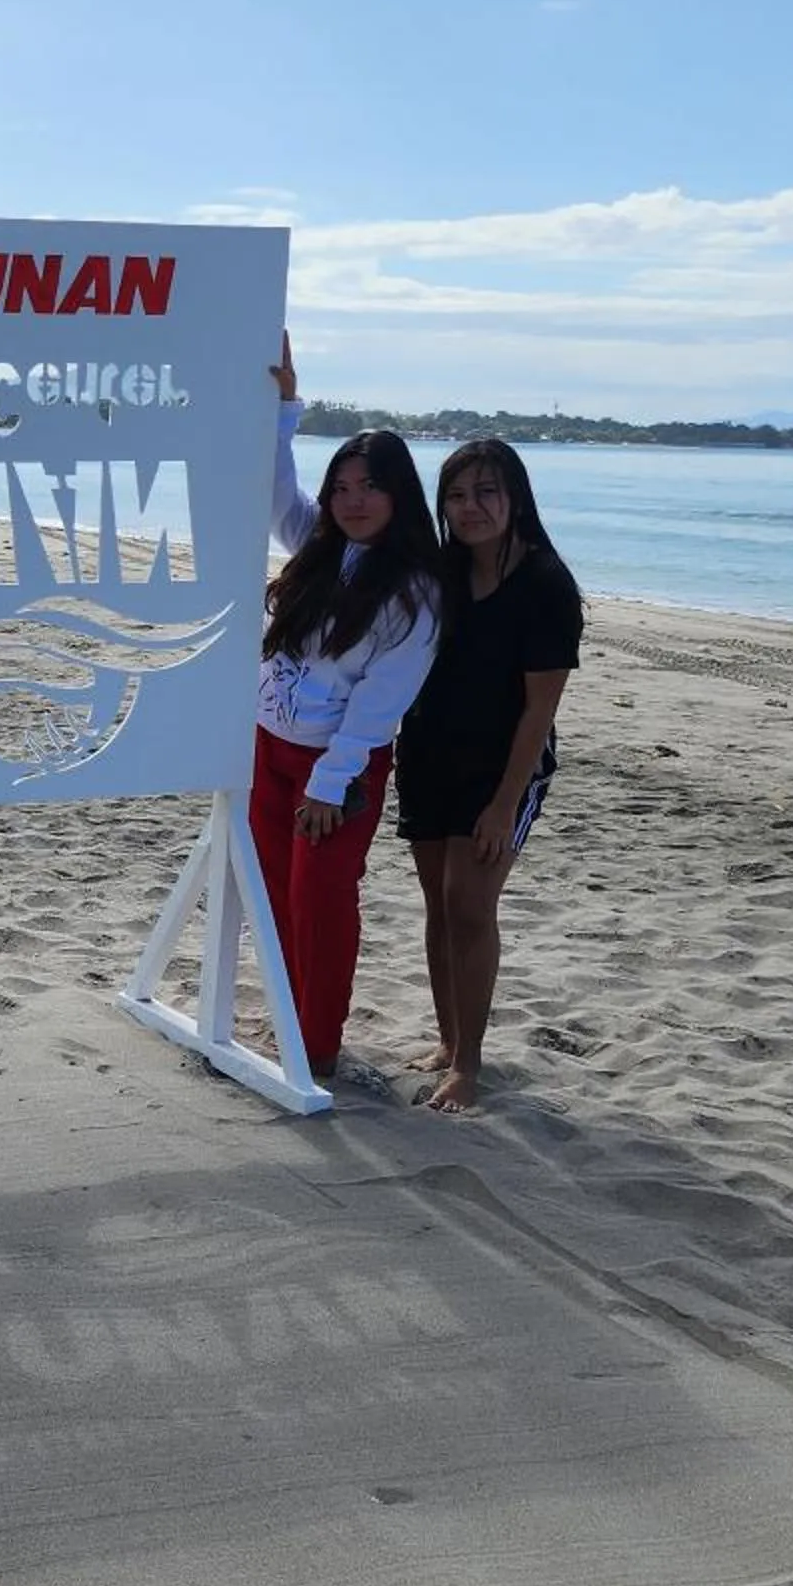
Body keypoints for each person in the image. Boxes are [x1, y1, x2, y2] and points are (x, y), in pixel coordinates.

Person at [251, 334, 444, 1081]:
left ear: (399, 495)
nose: (353, 501)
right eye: (342, 487)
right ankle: (288, 1020)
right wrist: (283, 410)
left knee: (321, 899)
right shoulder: (320, 549)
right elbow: (275, 496)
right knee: (273, 888)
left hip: (337, 764)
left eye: (369, 486)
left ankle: (317, 1047)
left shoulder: (414, 590)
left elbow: (379, 703)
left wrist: (330, 786)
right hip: (267, 741)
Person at [397, 437, 585, 1113]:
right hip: (426, 754)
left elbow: (540, 709)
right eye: (456, 494)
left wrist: (506, 804)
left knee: (471, 907)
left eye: (486, 492)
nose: (470, 507)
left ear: (516, 499)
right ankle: (449, 1041)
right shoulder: (442, 573)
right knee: (440, 907)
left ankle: (469, 1067)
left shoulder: (544, 584)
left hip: (504, 768)